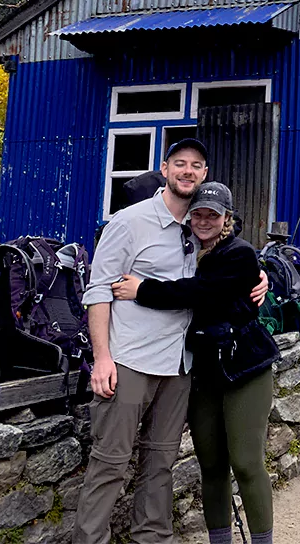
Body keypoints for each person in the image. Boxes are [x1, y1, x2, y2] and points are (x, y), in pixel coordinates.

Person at [75, 139, 267, 544]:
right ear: (164, 169)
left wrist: (259, 277)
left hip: (179, 367)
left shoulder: (195, 229)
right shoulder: (129, 222)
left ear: (204, 175)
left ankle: (153, 538)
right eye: (180, 163)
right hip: (129, 362)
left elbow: (212, 278)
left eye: (196, 165)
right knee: (110, 463)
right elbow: (97, 291)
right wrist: (103, 357)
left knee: (160, 464)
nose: (187, 171)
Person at [112, 182, 279, 544]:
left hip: (244, 367)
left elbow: (197, 293)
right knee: (211, 465)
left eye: (213, 215)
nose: (204, 220)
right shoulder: (184, 249)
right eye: (198, 213)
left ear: (226, 218)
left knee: (247, 463)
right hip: (203, 370)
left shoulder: (239, 253)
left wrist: (141, 290)